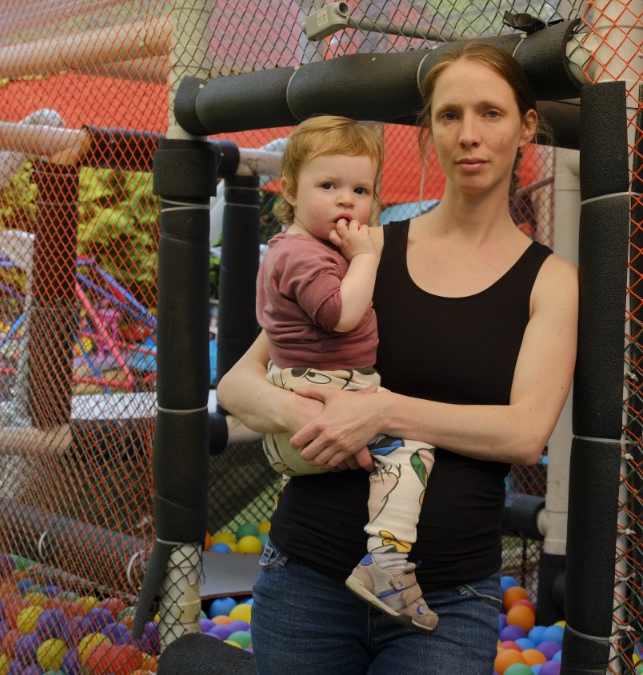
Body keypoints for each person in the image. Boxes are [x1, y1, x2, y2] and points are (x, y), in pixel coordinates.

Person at [216, 41, 578, 675]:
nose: (469, 134)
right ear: (427, 130)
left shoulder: (550, 281)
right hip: (308, 578)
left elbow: (524, 433)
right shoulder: (366, 249)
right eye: (449, 115)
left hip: (446, 600)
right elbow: (237, 384)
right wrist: (306, 413)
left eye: (490, 113)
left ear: (526, 127)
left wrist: (380, 411)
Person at [255, 115, 440, 632]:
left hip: (315, 389)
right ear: (290, 191)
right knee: (411, 451)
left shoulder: (302, 248)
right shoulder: (302, 255)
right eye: (328, 186)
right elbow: (340, 314)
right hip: (324, 389)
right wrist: (365, 258)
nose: (346, 201)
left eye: (360, 190)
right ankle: (386, 564)